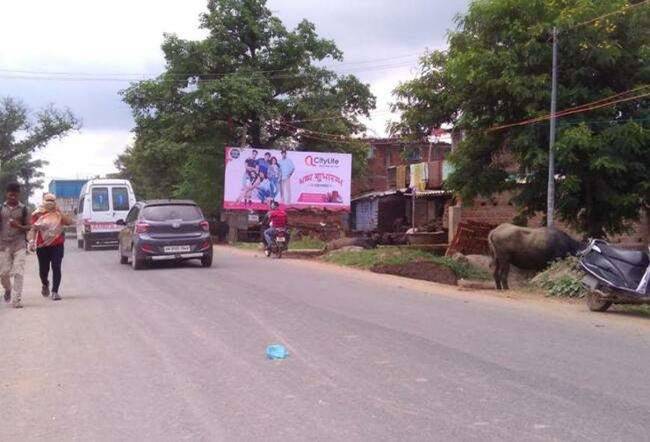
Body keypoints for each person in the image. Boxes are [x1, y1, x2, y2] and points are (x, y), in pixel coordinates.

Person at [30, 193, 74, 301]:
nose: (50, 203)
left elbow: (69, 222)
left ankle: (55, 291)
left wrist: (59, 211)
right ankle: (45, 284)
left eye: (52, 201)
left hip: (57, 245)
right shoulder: (37, 214)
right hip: (42, 246)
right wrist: (31, 241)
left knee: (56, 266)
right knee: (43, 270)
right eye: (48, 200)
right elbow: (33, 229)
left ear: (55, 202)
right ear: (43, 201)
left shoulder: (58, 213)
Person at [0, 182, 31, 308]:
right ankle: (8, 289)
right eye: (10, 194)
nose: (12, 197)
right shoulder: (1, 208)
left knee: (18, 272)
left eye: (15, 195)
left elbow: (29, 227)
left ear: (18, 195)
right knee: (3, 273)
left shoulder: (24, 209)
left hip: (19, 244)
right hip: (3, 245)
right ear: (6, 194)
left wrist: (18, 226)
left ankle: (16, 300)